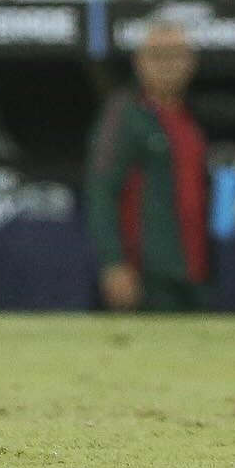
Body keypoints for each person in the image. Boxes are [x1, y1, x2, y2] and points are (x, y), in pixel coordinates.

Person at [86, 18, 208, 312]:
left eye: (176, 54)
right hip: (149, 272)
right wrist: (113, 262)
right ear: (139, 62)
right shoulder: (125, 115)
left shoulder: (196, 116)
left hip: (197, 269)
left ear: (191, 61)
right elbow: (101, 190)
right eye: (157, 55)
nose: (167, 65)